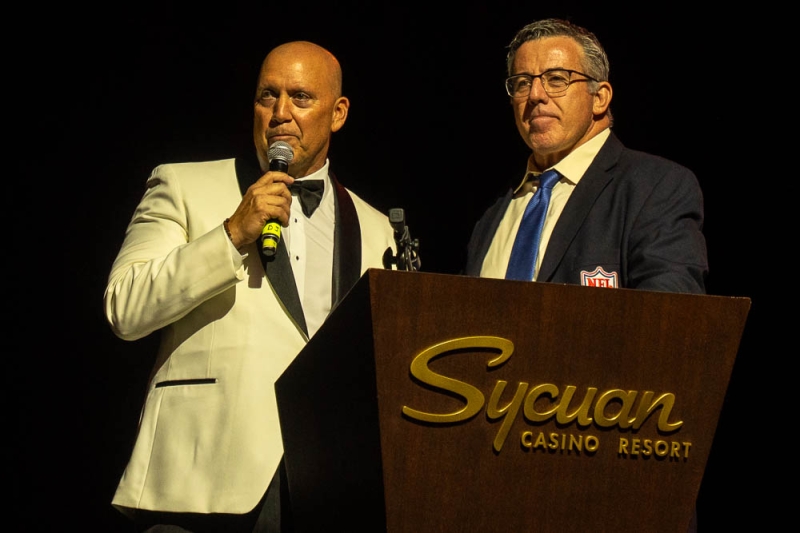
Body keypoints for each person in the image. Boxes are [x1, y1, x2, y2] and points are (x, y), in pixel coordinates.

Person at [104, 41, 396, 533]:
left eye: (300, 97)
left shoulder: (376, 228)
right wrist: (229, 236)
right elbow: (124, 307)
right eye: (267, 95)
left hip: (328, 483)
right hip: (201, 480)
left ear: (338, 113)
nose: (280, 113)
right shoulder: (182, 185)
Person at [463, 18, 706, 532]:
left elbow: (673, 331)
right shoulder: (492, 218)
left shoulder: (655, 187)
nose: (535, 95)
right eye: (521, 83)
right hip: (497, 493)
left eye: (556, 79)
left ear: (600, 97)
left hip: (611, 487)